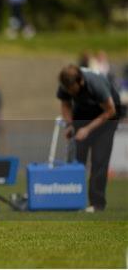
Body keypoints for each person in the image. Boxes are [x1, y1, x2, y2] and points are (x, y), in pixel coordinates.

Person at [57, 64, 121, 212]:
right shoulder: (65, 84)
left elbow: (110, 111)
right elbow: (65, 104)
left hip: (107, 119)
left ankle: (97, 204)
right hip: (83, 116)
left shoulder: (96, 85)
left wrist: (87, 129)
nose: (69, 92)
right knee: (76, 160)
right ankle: (72, 201)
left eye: (72, 89)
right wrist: (70, 125)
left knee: (99, 160)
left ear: (80, 82)